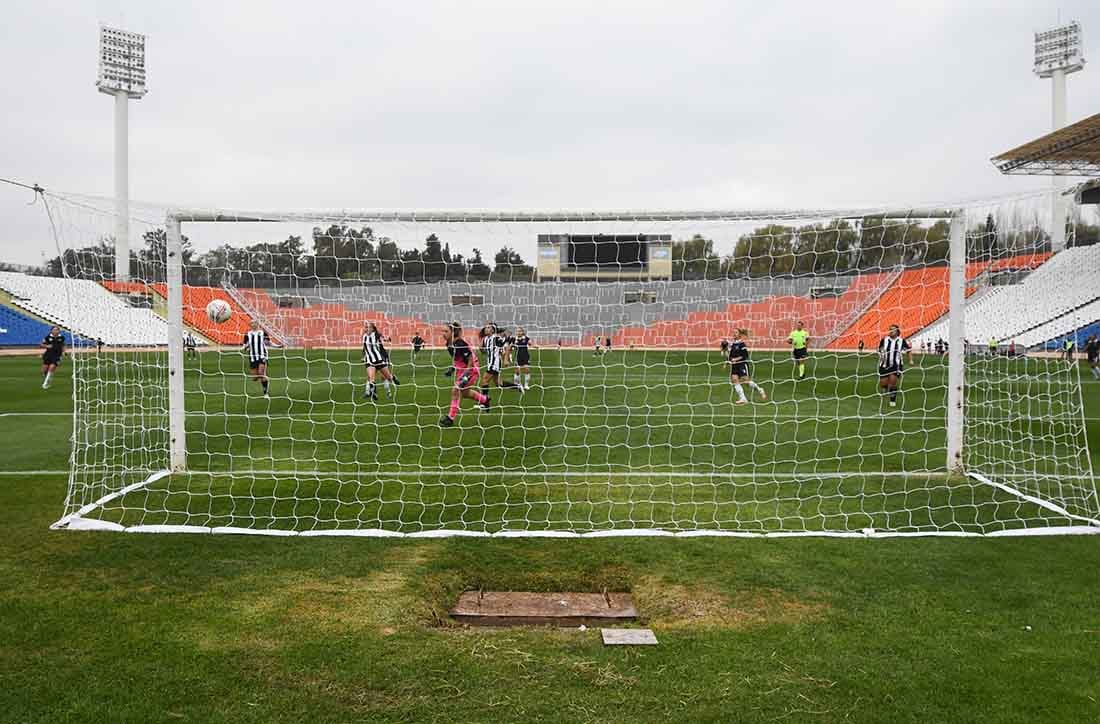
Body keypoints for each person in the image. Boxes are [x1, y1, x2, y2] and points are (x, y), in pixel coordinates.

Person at [440, 322, 490, 427]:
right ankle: (484, 400)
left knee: (456, 390)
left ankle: (450, 418)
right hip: (462, 369)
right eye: (442, 331)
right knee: (465, 393)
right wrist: (453, 368)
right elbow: (458, 359)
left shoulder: (459, 343)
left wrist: (467, 374)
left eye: (446, 331)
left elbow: (470, 359)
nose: (443, 333)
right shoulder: (449, 344)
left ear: (453, 332)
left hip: (471, 369)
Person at [727, 328, 767, 405]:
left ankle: (760, 390)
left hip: (742, 364)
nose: (734, 334)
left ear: (740, 335)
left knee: (746, 381)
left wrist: (736, 359)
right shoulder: (733, 344)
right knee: (734, 380)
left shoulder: (742, 344)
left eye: (736, 332)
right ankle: (743, 398)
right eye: (733, 332)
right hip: (734, 365)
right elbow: (730, 356)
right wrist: (729, 361)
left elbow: (745, 356)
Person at [479, 323, 518, 399]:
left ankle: (484, 402)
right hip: (490, 363)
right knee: (499, 384)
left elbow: (505, 342)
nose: (486, 329)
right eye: (486, 327)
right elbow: (485, 351)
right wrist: (481, 349)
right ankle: (517, 387)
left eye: (488, 327)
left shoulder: (496, 338)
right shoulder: (486, 339)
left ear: (493, 330)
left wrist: (507, 337)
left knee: (484, 380)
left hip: (495, 363)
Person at [877, 324, 912, 409]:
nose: (891, 331)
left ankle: (892, 400)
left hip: (896, 365)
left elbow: (908, 350)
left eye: (893, 329)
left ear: (897, 331)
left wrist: (911, 360)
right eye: (890, 329)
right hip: (884, 365)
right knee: (883, 384)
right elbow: (880, 349)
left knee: (893, 382)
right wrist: (881, 354)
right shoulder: (884, 340)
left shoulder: (901, 341)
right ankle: (885, 389)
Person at [362, 322, 399, 400]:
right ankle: (373, 393)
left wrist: (387, 339)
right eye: (365, 327)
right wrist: (364, 356)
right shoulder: (364, 337)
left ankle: (393, 377)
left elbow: (383, 338)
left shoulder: (376, 335)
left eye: (368, 327)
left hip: (378, 360)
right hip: (369, 361)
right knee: (371, 378)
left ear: (372, 329)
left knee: (387, 377)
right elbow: (364, 348)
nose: (366, 329)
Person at [242, 320, 270, 398]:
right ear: (250, 325)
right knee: (254, 378)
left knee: (261, 373)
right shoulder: (247, 334)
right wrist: (246, 346)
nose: (254, 324)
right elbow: (244, 346)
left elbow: (268, 342)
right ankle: (264, 378)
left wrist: (277, 346)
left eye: (255, 323)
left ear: (258, 324)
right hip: (253, 357)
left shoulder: (263, 333)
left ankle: (266, 393)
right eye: (252, 323)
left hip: (262, 355)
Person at [40, 325, 65, 390]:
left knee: (52, 367)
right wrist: (47, 346)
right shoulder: (48, 337)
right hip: (48, 354)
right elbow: (41, 344)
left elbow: (63, 345)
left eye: (57, 330)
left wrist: (63, 352)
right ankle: (48, 378)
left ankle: (45, 384)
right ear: (51, 330)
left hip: (57, 355)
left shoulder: (61, 337)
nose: (56, 331)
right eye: (54, 330)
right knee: (44, 370)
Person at [512, 326, 534, 390]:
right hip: (517, 356)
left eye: (520, 331)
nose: (518, 332)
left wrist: (534, 345)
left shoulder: (526, 338)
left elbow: (530, 343)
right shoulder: (514, 339)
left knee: (527, 369)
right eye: (517, 331)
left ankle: (526, 385)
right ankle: (516, 384)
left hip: (525, 356)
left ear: (522, 332)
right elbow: (510, 347)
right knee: (517, 371)